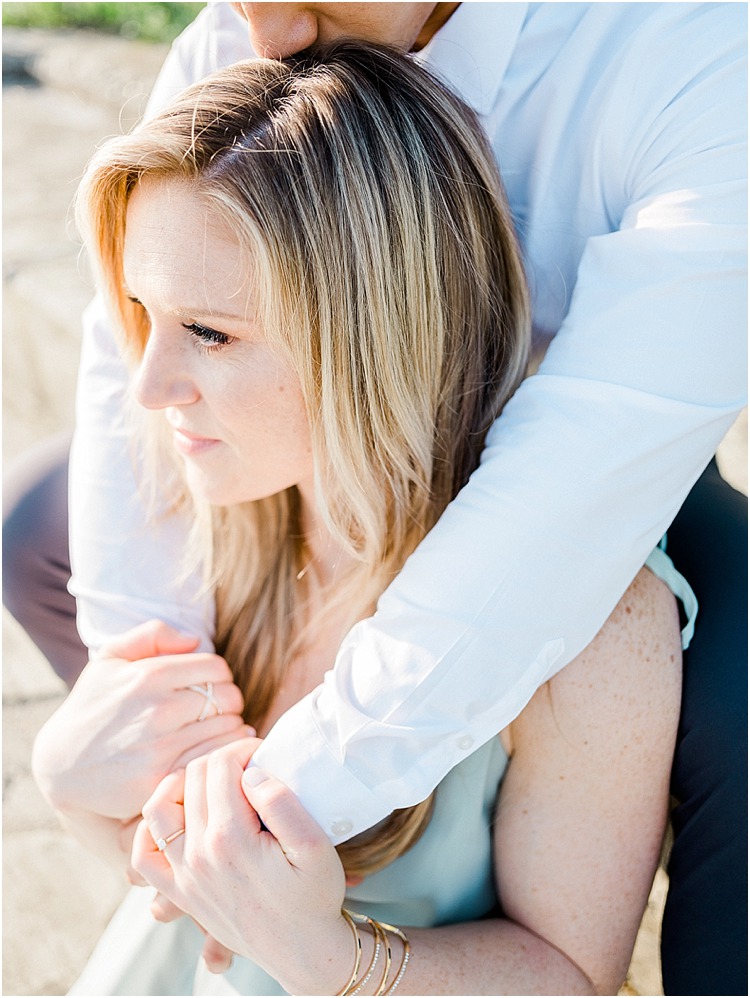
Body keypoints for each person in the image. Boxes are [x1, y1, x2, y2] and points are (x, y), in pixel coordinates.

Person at [6, 4, 747, 991]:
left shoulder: (695, 64)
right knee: (32, 527)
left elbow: (566, 968)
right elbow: (194, 923)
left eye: (211, 333)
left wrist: (336, 954)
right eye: (147, 315)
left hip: (589, 455)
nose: (148, 382)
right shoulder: (233, 523)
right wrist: (88, 787)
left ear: (364, 335)